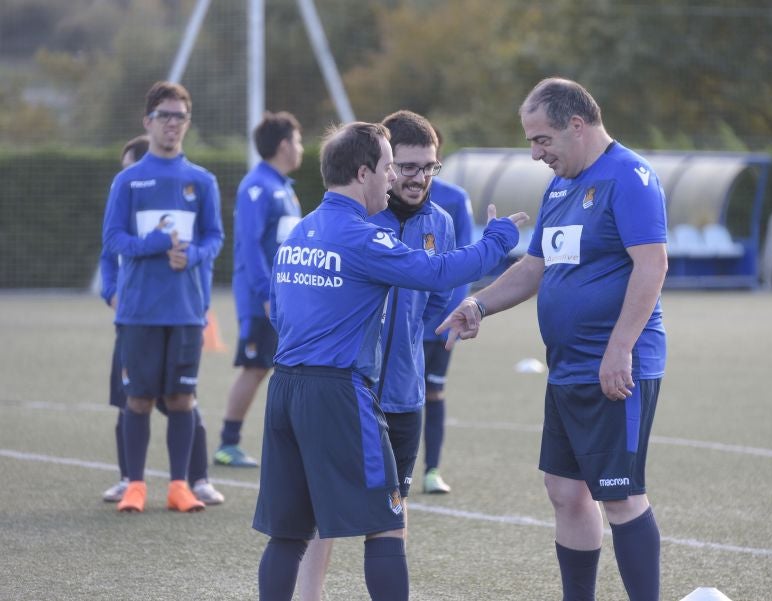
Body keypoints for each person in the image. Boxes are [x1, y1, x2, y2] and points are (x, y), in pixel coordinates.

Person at [253, 121, 527, 601]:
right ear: (363, 173)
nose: (395, 179)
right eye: (388, 168)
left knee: (289, 532)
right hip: (338, 392)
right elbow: (437, 271)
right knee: (385, 522)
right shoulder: (360, 235)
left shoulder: (300, 231)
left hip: (285, 389)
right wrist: (499, 240)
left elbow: (280, 308)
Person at [437, 78, 668, 601]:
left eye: (542, 140)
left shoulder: (629, 177)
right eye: (530, 142)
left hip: (617, 369)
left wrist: (620, 348)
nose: (536, 153)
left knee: (620, 496)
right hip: (567, 367)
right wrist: (478, 305)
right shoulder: (561, 187)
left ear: (577, 125)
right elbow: (534, 266)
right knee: (565, 491)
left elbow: (651, 265)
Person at [295, 110, 456, 600]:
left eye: (429, 167)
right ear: (382, 168)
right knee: (323, 509)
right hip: (347, 393)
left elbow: (437, 301)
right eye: (407, 167)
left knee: (392, 508)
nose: (418, 178)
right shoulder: (358, 215)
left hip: (405, 397)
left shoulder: (441, 223)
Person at [101, 80, 224, 513]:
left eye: (180, 116)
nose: (172, 123)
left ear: (187, 123)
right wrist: (154, 244)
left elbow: (215, 238)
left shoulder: (202, 181)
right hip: (138, 312)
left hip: (188, 311)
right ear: (148, 122)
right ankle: (134, 485)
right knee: (136, 398)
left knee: (182, 399)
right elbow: (113, 239)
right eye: (164, 116)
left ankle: (180, 485)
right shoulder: (128, 181)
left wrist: (192, 255)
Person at [215, 111, 304, 468]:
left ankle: (290, 443)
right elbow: (249, 245)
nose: (300, 148)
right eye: (297, 141)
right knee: (255, 367)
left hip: (288, 298)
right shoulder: (258, 186)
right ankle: (228, 443)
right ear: (283, 145)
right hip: (263, 301)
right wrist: (267, 295)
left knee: (286, 368)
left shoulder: (284, 188)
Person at [419, 127, 475, 494]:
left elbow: (464, 263)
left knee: (433, 393)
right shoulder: (377, 198)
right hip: (391, 326)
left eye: (429, 163)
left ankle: (432, 470)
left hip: (435, 326)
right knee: (380, 395)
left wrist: (452, 313)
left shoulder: (453, 201)